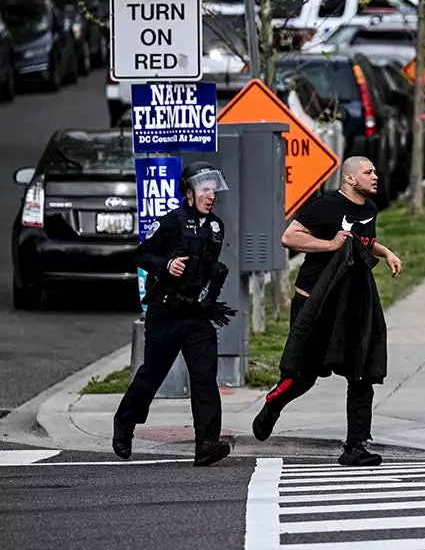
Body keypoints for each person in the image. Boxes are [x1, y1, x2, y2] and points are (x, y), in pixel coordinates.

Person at [253, 156, 403, 467]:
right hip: (315, 304)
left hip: (352, 304)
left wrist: (385, 252)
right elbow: (289, 237)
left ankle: (355, 446)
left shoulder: (369, 208)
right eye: (368, 172)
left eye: (375, 170)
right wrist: (329, 245)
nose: (376, 176)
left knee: (362, 372)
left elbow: (362, 241)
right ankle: (273, 405)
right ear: (349, 179)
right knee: (304, 376)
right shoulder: (325, 205)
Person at [113, 162, 235, 466]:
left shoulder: (216, 226)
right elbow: (141, 255)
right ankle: (124, 424)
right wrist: (166, 265)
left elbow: (208, 269)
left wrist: (210, 293)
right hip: (166, 311)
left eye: (213, 189)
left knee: (205, 378)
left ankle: (206, 443)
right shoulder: (171, 222)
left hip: (196, 313)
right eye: (204, 189)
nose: (211, 196)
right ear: (189, 193)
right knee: (152, 374)